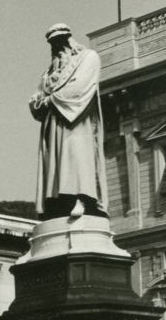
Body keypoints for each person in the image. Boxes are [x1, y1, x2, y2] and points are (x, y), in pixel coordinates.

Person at [28, 24, 108, 219]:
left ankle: (82, 198)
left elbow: (80, 87)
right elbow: (36, 97)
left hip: (76, 119)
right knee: (55, 166)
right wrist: (40, 101)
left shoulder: (88, 57)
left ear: (69, 39)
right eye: (53, 44)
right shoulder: (48, 73)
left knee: (76, 157)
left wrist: (48, 100)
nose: (57, 47)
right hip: (53, 125)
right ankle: (56, 204)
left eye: (60, 41)